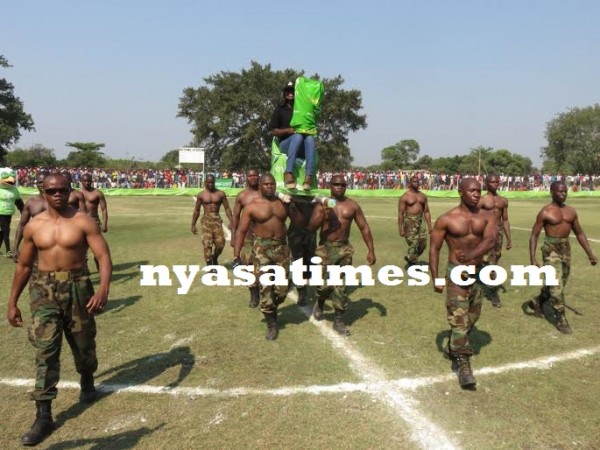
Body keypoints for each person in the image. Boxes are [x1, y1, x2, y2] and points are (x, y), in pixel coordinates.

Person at [6, 173, 112, 446]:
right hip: (43, 291)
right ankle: (44, 415)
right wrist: (12, 301)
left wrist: (103, 289)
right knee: (46, 350)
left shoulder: (82, 221)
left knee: (84, 343)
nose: (57, 195)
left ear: (69, 191)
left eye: (62, 190)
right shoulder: (33, 226)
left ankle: (87, 379)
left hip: (78, 286)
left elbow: (102, 255)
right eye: (52, 190)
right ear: (43, 191)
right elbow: (25, 266)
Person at [429, 178, 497, 389]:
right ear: (460, 192)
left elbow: (491, 240)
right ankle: (463, 365)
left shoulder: (487, 216)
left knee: (472, 317)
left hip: (477, 272)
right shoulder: (446, 219)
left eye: (479, 190)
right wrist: (436, 278)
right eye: (472, 191)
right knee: (459, 319)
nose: (477, 194)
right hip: (457, 273)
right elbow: (434, 249)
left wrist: (471, 255)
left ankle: (454, 345)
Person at [308, 174, 376, 336]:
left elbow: (364, 227)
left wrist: (371, 250)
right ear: (330, 186)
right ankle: (320, 301)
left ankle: (338, 320)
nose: (339, 187)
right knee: (323, 285)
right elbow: (311, 228)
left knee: (341, 286)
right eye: (336, 184)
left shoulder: (352, 206)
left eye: (342, 184)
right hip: (325, 248)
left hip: (344, 249)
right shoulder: (321, 205)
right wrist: (323, 213)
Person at [528, 180, 597, 334]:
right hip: (550, 249)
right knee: (557, 285)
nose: (563, 194)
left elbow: (579, 233)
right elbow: (534, 235)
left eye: (565, 191)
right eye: (560, 191)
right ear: (552, 192)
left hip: (565, 249)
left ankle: (537, 301)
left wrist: (590, 254)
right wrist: (533, 259)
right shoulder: (545, 211)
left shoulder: (571, 212)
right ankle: (561, 318)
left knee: (559, 283)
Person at [233, 174, 291, 340]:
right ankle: (271, 324)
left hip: (281, 247)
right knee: (266, 286)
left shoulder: (283, 203)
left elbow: (297, 220)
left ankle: (273, 304)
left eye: (272, 184)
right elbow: (242, 231)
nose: (269, 187)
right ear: (260, 185)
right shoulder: (252, 207)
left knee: (283, 287)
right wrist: (236, 254)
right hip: (261, 249)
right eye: (265, 184)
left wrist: (293, 204)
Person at [270, 81, 316, 190]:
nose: (290, 93)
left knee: (310, 139)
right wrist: (288, 131)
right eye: (288, 91)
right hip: (285, 143)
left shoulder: (301, 109)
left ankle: (309, 176)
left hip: (301, 144)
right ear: (284, 94)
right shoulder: (280, 109)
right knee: (297, 136)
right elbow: (273, 131)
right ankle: (288, 172)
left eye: (293, 91)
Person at [477, 174, 512, 307]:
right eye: (492, 182)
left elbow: (506, 220)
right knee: (483, 261)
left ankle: (491, 290)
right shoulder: (481, 200)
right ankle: (490, 290)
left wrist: (509, 238)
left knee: (494, 260)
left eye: (497, 182)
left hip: (498, 234)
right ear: (486, 183)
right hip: (484, 233)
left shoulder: (503, 200)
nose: (495, 184)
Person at [230, 169, 261, 307]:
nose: (253, 177)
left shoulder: (266, 192)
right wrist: (234, 237)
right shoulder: (242, 196)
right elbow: (236, 217)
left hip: (263, 235)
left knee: (266, 266)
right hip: (248, 236)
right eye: (250, 175)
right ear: (246, 177)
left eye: (255, 175)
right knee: (248, 266)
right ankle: (254, 295)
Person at [192, 174, 233, 266]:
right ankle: (209, 265)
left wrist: (232, 220)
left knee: (220, 244)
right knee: (207, 244)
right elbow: (197, 210)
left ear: (214, 182)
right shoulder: (201, 195)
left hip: (217, 220)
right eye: (208, 182)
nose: (210, 184)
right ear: (205, 183)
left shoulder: (220, 194)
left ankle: (214, 258)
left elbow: (227, 208)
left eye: (212, 182)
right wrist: (193, 224)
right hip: (206, 220)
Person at [12, 171, 48, 262]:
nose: (42, 184)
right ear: (36, 183)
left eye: (45, 181)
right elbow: (22, 224)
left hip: (56, 244)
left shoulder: (59, 201)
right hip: (36, 243)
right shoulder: (32, 202)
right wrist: (15, 248)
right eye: (40, 182)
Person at [398, 175, 432, 268]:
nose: (416, 183)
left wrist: (429, 226)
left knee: (423, 244)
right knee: (413, 242)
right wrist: (400, 228)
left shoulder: (423, 196)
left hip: (421, 221)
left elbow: (427, 212)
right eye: (414, 181)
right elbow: (401, 213)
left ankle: (412, 258)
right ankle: (411, 257)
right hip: (409, 221)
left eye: (418, 181)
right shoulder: (404, 197)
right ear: (410, 183)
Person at [288, 200, 317, 306]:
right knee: (297, 262)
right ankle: (302, 292)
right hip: (296, 232)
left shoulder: (314, 197)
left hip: (310, 232)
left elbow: (332, 204)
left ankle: (306, 286)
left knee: (310, 262)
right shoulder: (292, 196)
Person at [0, 168, 25, 258]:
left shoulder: (14, 189)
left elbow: (18, 201)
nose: (10, 180)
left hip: (9, 213)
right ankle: (8, 251)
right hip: (0, 213)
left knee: (3, 232)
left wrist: (23, 211)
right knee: (6, 231)